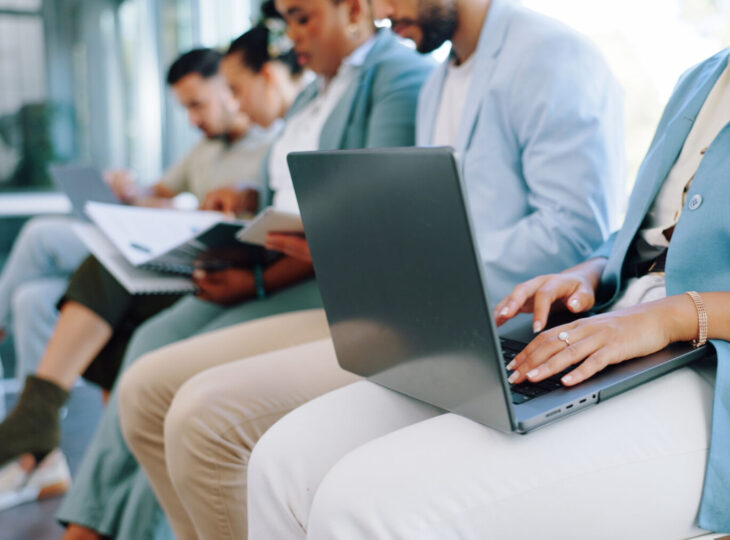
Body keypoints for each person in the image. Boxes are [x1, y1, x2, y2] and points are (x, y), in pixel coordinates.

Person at [246, 0, 730, 538]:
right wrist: (591, 275)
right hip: (609, 336)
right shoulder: (705, 77)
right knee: (282, 463)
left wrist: (665, 315)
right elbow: (652, 241)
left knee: (365, 504)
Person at [117, 0, 625, 538]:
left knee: (204, 419)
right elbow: (432, 220)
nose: (379, 12)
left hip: (480, 325)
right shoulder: (438, 81)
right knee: (146, 389)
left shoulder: (548, 54)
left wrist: (413, 266)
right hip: (402, 305)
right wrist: (358, 247)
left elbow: (574, 234)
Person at [57, 1, 435, 538]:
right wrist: (245, 197)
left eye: (303, 18)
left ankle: (102, 527)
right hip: (271, 258)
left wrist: (256, 282)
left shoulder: (397, 75)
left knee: (175, 383)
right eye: (286, 21)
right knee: (149, 343)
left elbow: (363, 210)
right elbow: (283, 187)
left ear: (353, 10)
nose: (291, 36)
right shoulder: (311, 93)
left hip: (318, 281)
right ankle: (103, 520)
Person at [0, 47, 276, 513]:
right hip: (157, 248)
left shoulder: (270, 149)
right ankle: (40, 450)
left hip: (197, 267)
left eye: (198, 103)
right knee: (32, 298)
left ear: (233, 90)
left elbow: (248, 223)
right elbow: (162, 192)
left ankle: (31, 426)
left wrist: (180, 210)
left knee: (42, 236)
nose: (192, 118)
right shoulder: (208, 148)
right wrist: (130, 191)